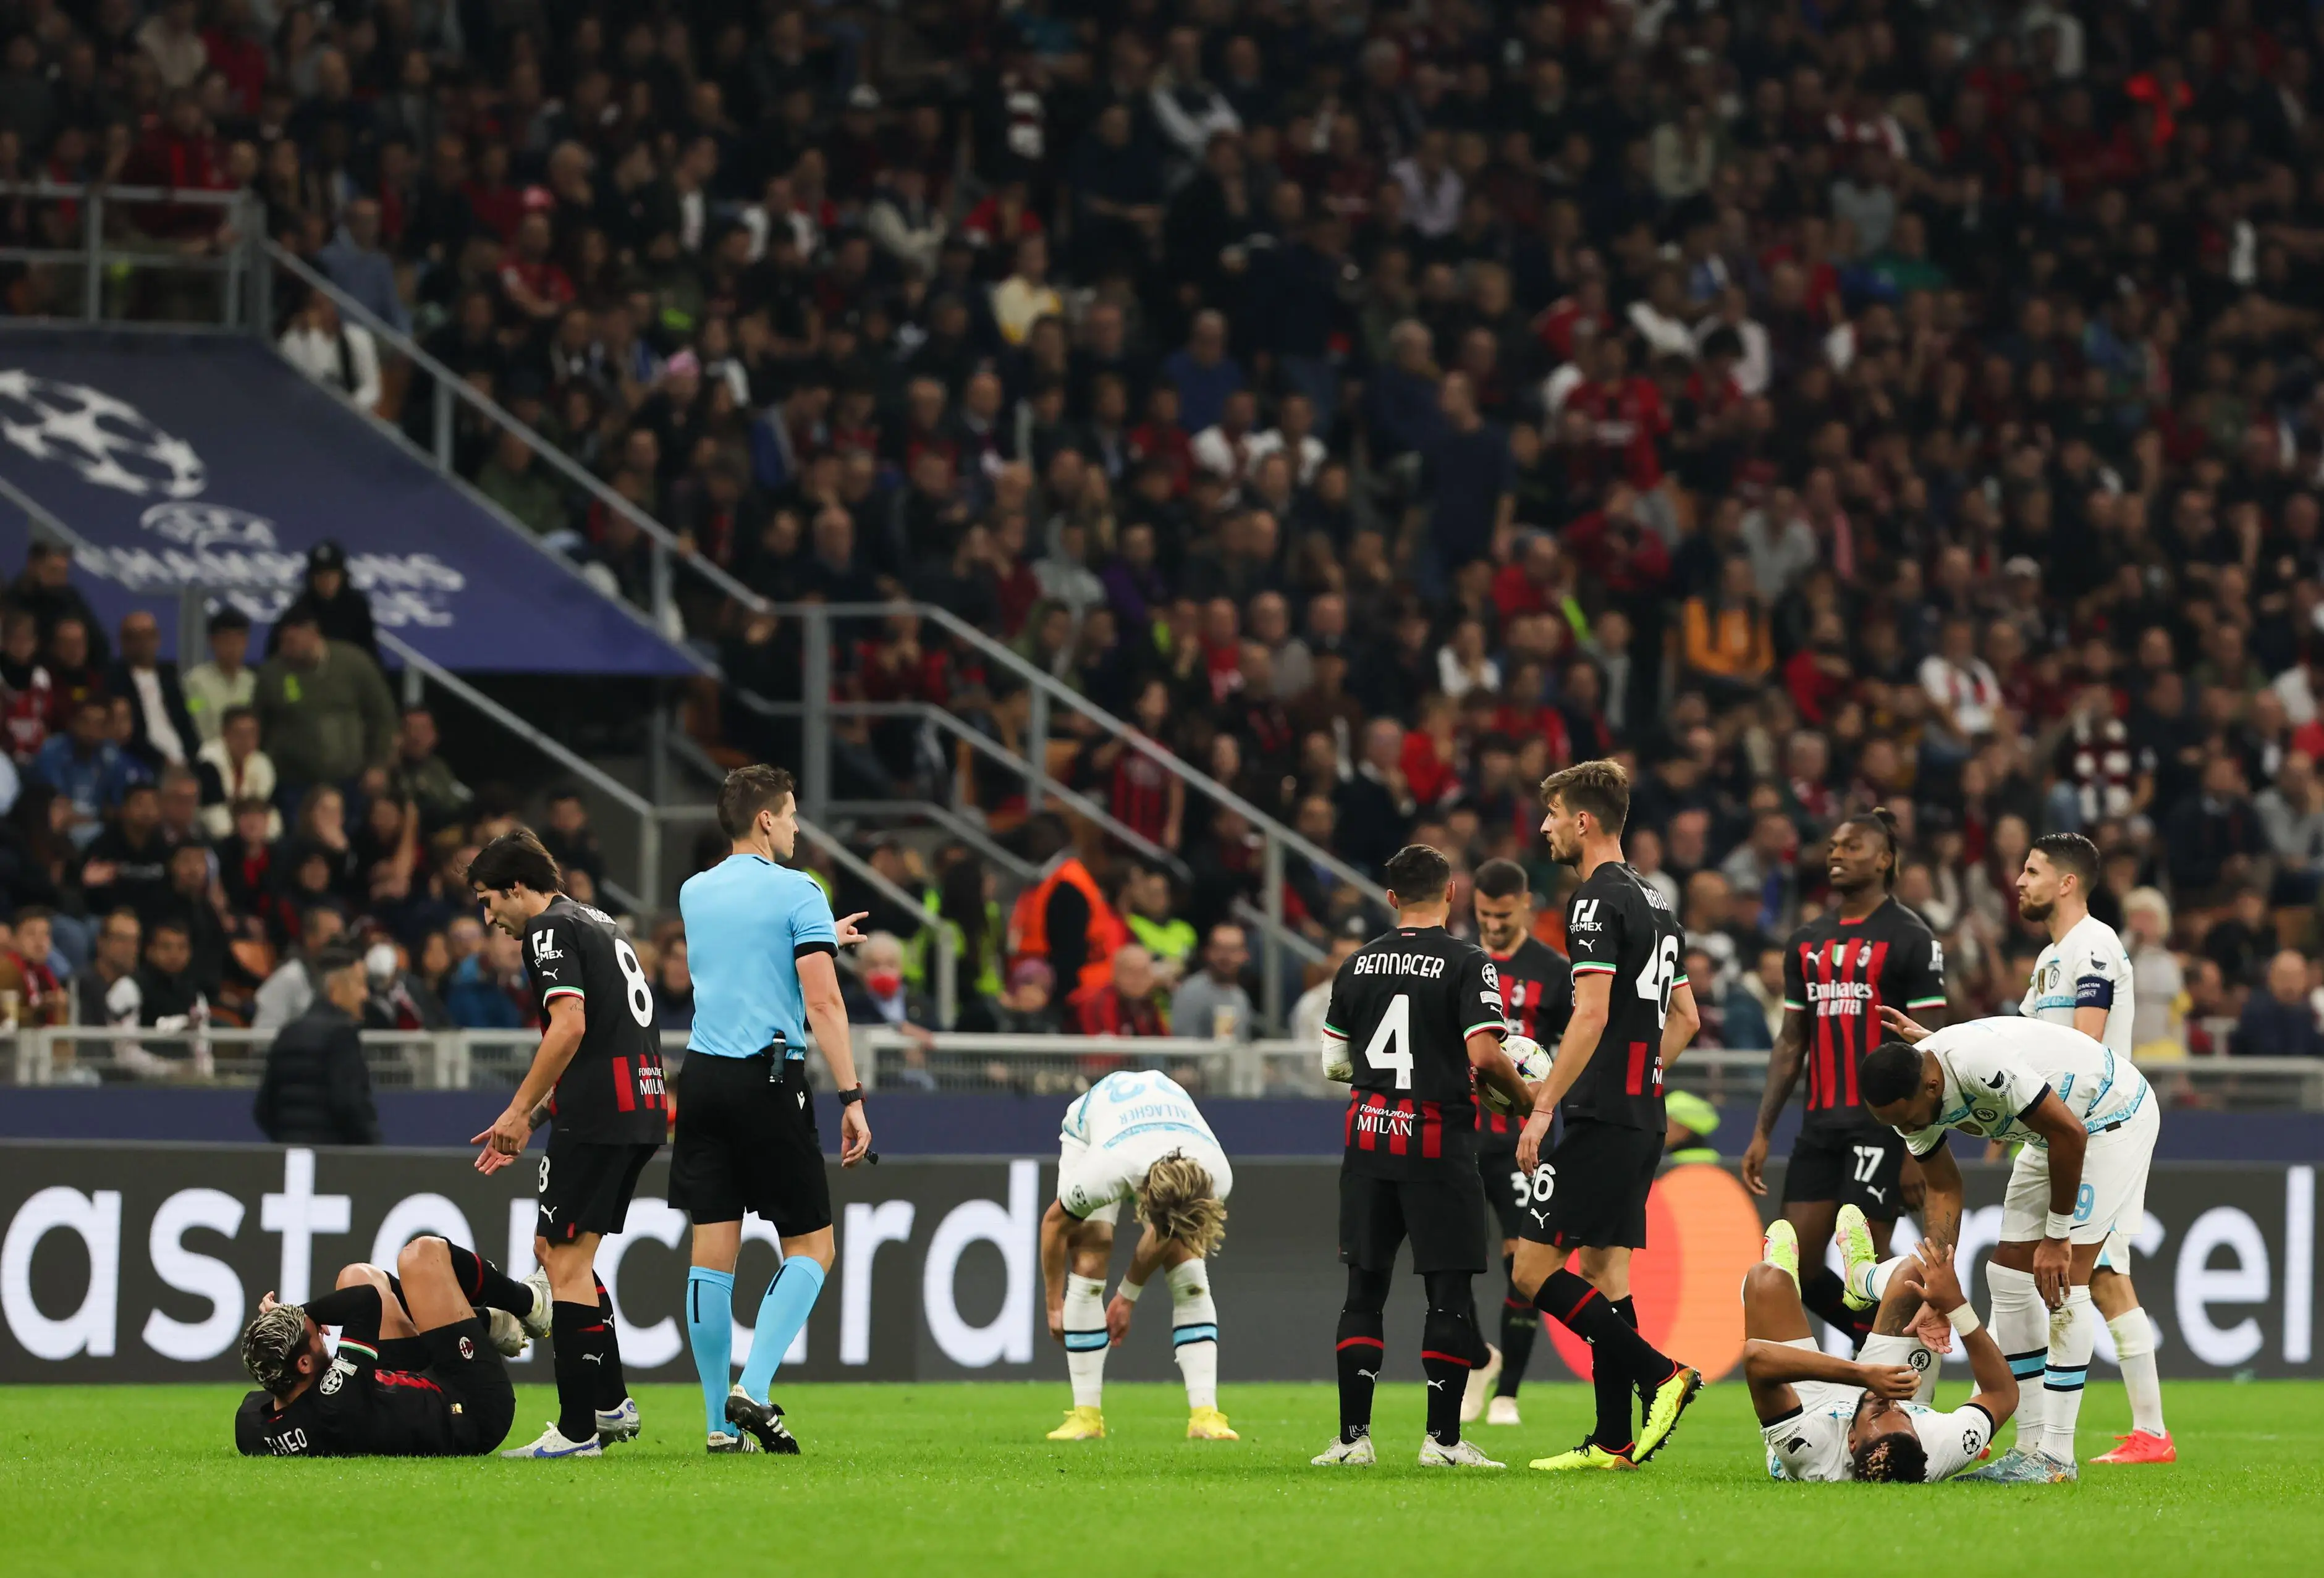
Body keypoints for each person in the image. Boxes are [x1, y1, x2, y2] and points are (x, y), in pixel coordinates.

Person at [1862, 1011, 2161, 1483]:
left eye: (1904, 1118)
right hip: (2051, 1135)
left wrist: (2058, 1235)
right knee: (2005, 1275)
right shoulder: (1910, 1100)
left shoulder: (1978, 1065)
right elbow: (1942, 1187)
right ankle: (2029, 1447)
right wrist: (1937, 1285)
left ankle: (2057, 1457)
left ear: (1931, 1087)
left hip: (2109, 1116)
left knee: (2065, 1280)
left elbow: (2070, 1134)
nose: (1903, 1127)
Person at [1312, 842, 1534, 1470]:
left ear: (1389, 899)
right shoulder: (1468, 962)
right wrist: (1521, 1100)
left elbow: (1332, 1063)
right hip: (1438, 1146)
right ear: (1451, 894)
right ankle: (1441, 1443)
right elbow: (1488, 1054)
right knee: (1448, 1296)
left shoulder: (1355, 965)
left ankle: (1352, 1439)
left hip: (1368, 1143)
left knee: (1362, 1292)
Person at [1510, 759, 1704, 1471]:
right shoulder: (1656, 903)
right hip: (1639, 1113)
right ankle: (1613, 1439)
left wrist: (1542, 1105)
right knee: (1603, 1271)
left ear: (1583, 820)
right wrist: (1642, 1074)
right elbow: (1685, 1016)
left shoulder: (1593, 900)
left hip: (1601, 1118)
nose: (1545, 828)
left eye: (1553, 815)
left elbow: (1589, 1012)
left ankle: (1664, 1375)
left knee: (1531, 1269)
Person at [674, 766, 873, 1455]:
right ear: (765, 820)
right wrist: (851, 1095)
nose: (794, 828)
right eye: (789, 815)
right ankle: (752, 1389)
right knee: (813, 1245)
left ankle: (716, 1425)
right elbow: (822, 1003)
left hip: (700, 1080)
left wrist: (824, 936)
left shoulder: (694, 892)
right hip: (769, 1078)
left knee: (711, 1256)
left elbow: (744, 961)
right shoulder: (799, 892)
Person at [468, 829, 663, 1459]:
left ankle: (578, 1430)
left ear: (517, 887)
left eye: (487, 899)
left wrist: (518, 1107)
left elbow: (571, 1024)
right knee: (558, 1251)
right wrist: (539, 1115)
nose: (488, 915)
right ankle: (609, 1403)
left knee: (565, 1263)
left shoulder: (549, 930)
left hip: (603, 1113)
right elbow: (608, 1032)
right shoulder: (596, 919)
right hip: (636, 1101)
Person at [1740, 809, 1947, 1351]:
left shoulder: (1910, 937)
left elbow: (1933, 1047)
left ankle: (1882, 1384)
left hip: (1881, 1128)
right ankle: (1881, 1347)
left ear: (1883, 859)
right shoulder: (1806, 941)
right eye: (1833, 846)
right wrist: (1764, 1130)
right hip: (1818, 1126)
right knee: (1798, 1268)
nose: (1836, 854)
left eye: (1852, 847)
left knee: (1866, 1267)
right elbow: (1790, 1041)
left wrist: (1917, 1147)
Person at [2014, 832, 2173, 1465]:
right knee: (2102, 1277)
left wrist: (2058, 1128)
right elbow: (2024, 1045)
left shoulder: (2095, 945)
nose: (2018, 882)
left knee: (2085, 1278)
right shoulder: (2049, 959)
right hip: (2059, 1135)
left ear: (2066, 883)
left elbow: (2084, 1049)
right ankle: (2147, 1432)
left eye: (2030, 871)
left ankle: (2063, 1438)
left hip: (2095, 1134)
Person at [1039, 1070, 1237, 1442]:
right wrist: (1054, 1304)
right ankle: (1086, 1417)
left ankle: (1206, 1415)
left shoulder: (1215, 1176)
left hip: (1155, 1120)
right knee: (1090, 1252)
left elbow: (1167, 1233)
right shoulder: (1104, 1172)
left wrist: (1127, 1297)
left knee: (1188, 1266)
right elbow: (1053, 1226)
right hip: (1092, 1130)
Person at [1744, 1218, 2016, 1483]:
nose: (1889, 1403)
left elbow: (1756, 1358)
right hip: (1897, 1389)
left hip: (1811, 1409)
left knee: (1765, 1278)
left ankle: (1787, 1286)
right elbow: (2002, 1394)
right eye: (1902, 1417)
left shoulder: (1810, 1452)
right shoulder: (1940, 1446)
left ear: (1852, 1442)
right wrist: (1954, 1304)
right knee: (1918, 1273)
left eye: (1879, 1414)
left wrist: (1862, 1376)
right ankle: (1861, 1278)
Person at [234, 1234, 546, 1458]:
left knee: (355, 1275)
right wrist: (305, 1312)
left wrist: (287, 1327)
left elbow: (274, 1369)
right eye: (316, 1336)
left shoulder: (253, 1423)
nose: (323, 1335)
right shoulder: (335, 1403)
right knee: (422, 1254)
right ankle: (528, 1303)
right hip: (471, 1407)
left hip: (404, 1385)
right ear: (303, 1364)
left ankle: (483, 1323)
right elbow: (364, 1301)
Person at [1463, 857, 1572, 1429]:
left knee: (1518, 1263)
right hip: (1458, 1132)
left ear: (1525, 904)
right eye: (1484, 915)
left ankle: (1507, 1392)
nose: (1494, 926)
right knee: (1448, 1258)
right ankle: (1480, 1358)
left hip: (1518, 1139)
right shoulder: (1459, 962)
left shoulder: (1553, 972)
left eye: (1503, 915)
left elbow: (1570, 1047)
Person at [254, 608, 397, 796]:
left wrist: (378, 765)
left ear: (313, 634)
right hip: (292, 781)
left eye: (291, 642)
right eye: (283, 642)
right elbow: (258, 724)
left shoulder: (355, 663)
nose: (285, 649)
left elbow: (383, 716)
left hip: (352, 779)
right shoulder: (272, 673)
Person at [253, 945, 381, 1144]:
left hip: (291, 1158)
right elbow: (350, 1105)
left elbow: (263, 1110)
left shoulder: (287, 1034)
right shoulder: (342, 1036)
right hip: (331, 1164)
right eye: (360, 985)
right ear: (335, 989)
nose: (365, 995)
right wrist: (373, 1146)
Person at [105, 609, 196, 770]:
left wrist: (192, 756)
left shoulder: (168, 677)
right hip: (144, 761)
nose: (143, 642)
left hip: (183, 758)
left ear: (157, 639)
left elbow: (184, 720)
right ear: (123, 642)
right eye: (134, 637)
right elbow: (129, 735)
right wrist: (162, 761)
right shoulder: (115, 679)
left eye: (149, 635)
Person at [182, 606, 256, 745]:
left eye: (238, 641)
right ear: (212, 642)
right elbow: (196, 721)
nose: (233, 647)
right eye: (226, 640)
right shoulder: (195, 681)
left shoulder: (252, 681)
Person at [1169, 921, 1253, 1039]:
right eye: (1220, 948)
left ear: (1244, 955)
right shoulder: (1191, 993)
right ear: (1208, 952)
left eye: (1233, 950)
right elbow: (1183, 1050)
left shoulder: (1240, 997)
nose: (1226, 957)